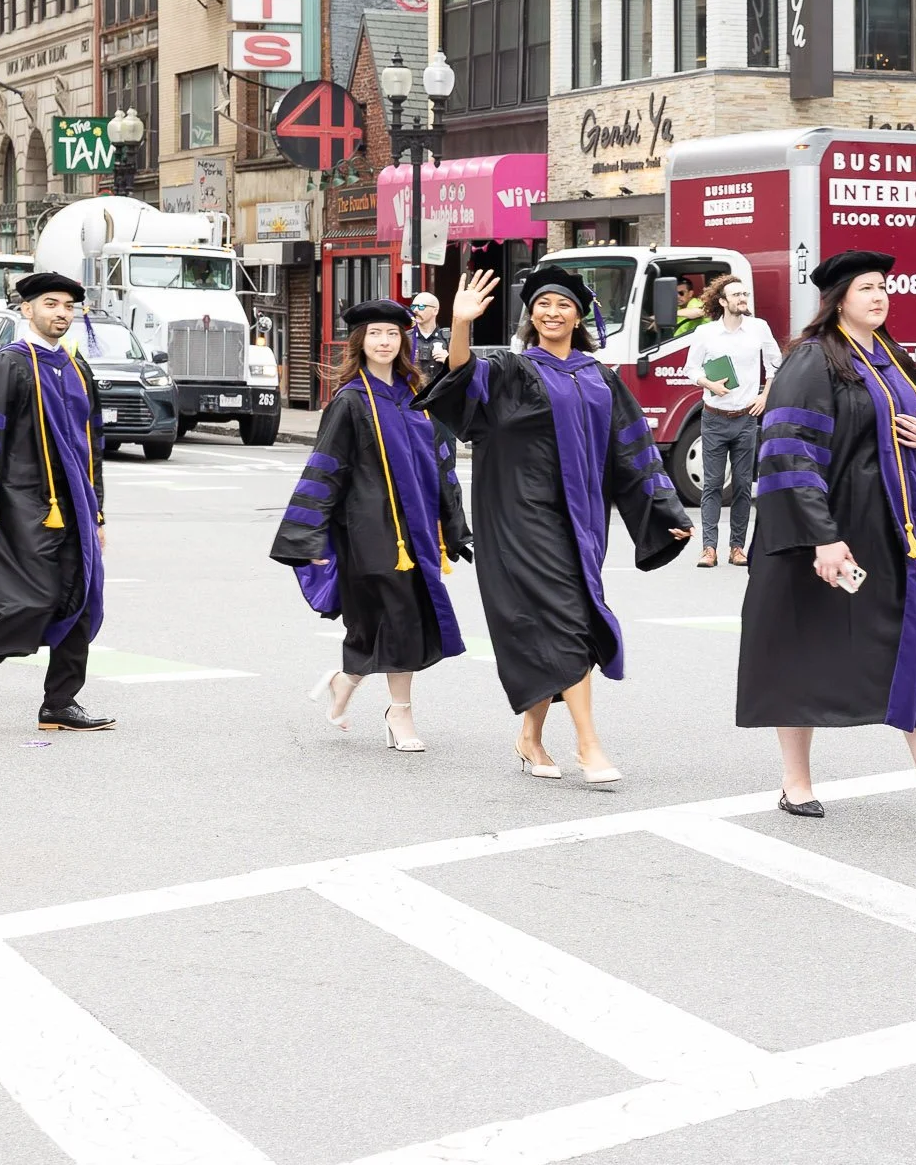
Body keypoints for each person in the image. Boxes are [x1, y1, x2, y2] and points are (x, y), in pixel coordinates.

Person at [735, 250, 916, 822]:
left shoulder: (895, 359)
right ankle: (795, 782)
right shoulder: (811, 360)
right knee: (799, 647)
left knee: (914, 649)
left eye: (883, 287)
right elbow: (790, 454)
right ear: (839, 299)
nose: (879, 295)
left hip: (898, 530)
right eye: (866, 288)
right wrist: (822, 537)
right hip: (831, 532)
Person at [422, 265, 692, 782]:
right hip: (524, 516)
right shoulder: (513, 370)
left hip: (584, 518)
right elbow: (461, 382)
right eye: (542, 304)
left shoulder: (599, 375)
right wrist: (461, 326)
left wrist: (665, 511)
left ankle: (529, 737)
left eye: (562, 304)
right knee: (570, 618)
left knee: (573, 622)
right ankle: (590, 747)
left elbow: (631, 449)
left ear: (579, 314)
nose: (551, 312)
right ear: (531, 315)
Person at [272, 300, 471, 752]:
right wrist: (311, 537)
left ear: (404, 340)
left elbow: (442, 464)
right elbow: (323, 470)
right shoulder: (349, 401)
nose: (384, 341)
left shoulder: (417, 398)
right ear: (360, 341)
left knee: (394, 616)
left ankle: (346, 679)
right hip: (369, 529)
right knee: (396, 614)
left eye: (393, 334)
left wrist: (454, 524)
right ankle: (399, 713)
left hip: (416, 528)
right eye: (376, 333)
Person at [0, 272, 116, 731]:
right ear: (27, 310)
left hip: (75, 504)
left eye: (68, 306)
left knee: (80, 598)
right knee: (34, 599)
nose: (61, 313)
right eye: (50, 304)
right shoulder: (10, 364)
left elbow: (92, 446)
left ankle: (60, 702)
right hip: (21, 502)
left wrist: (96, 511)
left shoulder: (78, 367)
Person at [682, 273, 782, 567]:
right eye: (736, 295)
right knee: (712, 485)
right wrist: (709, 385)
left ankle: (737, 547)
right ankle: (708, 548)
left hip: (746, 419)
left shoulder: (758, 328)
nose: (742, 299)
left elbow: (774, 364)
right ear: (723, 301)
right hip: (713, 418)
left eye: (744, 294)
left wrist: (765, 396)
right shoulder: (706, 334)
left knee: (741, 486)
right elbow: (690, 368)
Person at [406, 292, 449, 390]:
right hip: (412, 397)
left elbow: (465, 371)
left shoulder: (448, 338)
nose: (415, 310)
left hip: (439, 397)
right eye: (413, 307)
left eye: (421, 307)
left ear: (435, 311)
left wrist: (449, 361)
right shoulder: (405, 338)